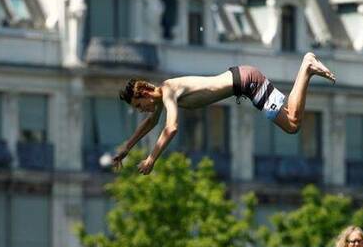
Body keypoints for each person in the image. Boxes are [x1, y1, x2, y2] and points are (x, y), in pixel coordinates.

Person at [115, 52, 336, 174]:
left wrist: (152, 158)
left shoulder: (168, 90)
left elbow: (171, 127)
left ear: (144, 91)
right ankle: (306, 68)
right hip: (244, 80)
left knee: (292, 123)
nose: (141, 110)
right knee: (292, 121)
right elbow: (150, 123)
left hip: (247, 82)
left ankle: (306, 66)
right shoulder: (164, 95)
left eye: (138, 104)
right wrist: (126, 148)